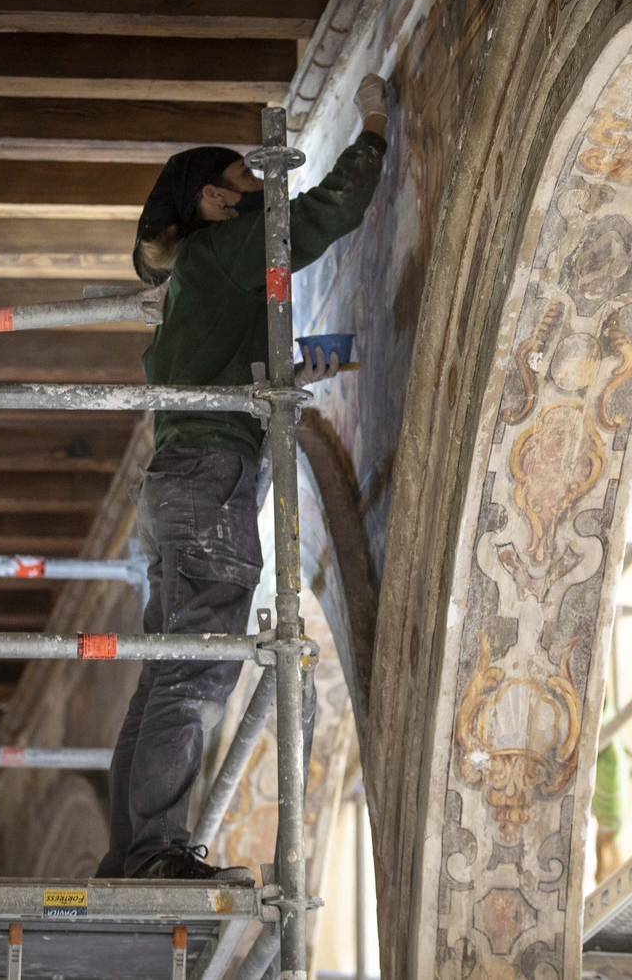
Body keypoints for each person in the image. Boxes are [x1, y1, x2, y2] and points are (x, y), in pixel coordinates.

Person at [96, 75, 389, 881]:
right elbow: (326, 215)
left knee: (169, 666)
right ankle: (154, 853)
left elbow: (233, 367)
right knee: (197, 665)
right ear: (214, 199)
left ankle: (132, 853)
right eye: (248, 182)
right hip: (206, 482)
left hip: (178, 484)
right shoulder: (225, 249)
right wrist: (371, 129)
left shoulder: (202, 273)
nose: (261, 193)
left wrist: (301, 362)